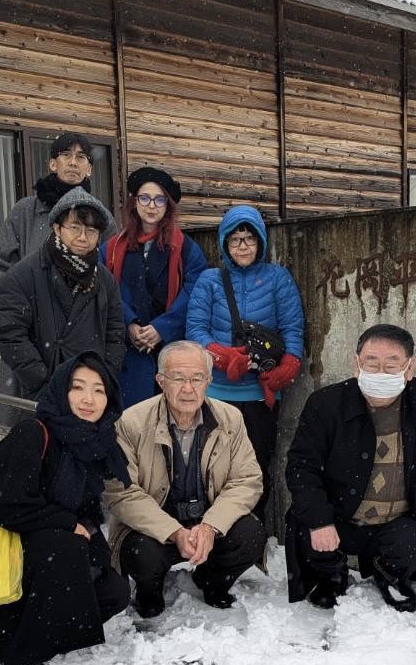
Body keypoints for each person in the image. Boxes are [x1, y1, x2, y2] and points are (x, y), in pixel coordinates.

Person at [285, 324, 416, 613]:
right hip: (340, 517)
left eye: (391, 364)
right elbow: (302, 466)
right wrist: (320, 521)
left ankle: (387, 574)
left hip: (399, 520)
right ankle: (331, 577)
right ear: (357, 363)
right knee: (305, 527)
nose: (381, 372)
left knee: (414, 542)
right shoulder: (326, 404)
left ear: (410, 367)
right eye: (372, 362)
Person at [0, 352, 132, 665]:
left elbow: (87, 506)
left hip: (54, 550)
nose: (88, 399)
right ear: (62, 391)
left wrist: (90, 534)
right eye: (78, 388)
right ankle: (17, 649)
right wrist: (65, 524)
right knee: (63, 548)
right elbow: (6, 503)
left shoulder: (95, 442)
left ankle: (36, 630)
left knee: (114, 590)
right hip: (13, 547)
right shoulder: (33, 433)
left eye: (99, 390)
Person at [105, 340, 266, 618]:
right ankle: (149, 592)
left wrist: (210, 527)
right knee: (142, 555)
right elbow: (122, 492)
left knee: (251, 535)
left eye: (197, 378)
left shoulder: (231, 418)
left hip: (207, 521)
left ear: (209, 381)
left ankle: (211, 581)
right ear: (161, 381)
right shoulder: (131, 422)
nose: (188, 388)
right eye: (178, 378)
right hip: (155, 528)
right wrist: (174, 532)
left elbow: (247, 480)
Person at [185, 204, 304, 519]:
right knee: (212, 464)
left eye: (250, 238)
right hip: (215, 393)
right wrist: (223, 358)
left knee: (256, 464)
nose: (243, 245)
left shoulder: (278, 278)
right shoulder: (210, 280)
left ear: (261, 242)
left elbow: (292, 327)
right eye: (235, 239)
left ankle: (252, 531)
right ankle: (213, 526)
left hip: (260, 392)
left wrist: (289, 364)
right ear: (225, 242)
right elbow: (196, 330)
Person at [0, 132, 117, 423]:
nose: (73, 163)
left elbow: (108, 278)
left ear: (90, 168)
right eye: (66, 156)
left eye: (81, 157)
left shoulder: (102, 219)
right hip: (30, 336)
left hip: (81, 338)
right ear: (52, 164)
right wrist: (24, 307)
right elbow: (0, 266)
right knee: (25, 429)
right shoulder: (25, 210)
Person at [104, 166, 207, 407]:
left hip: (170, 350)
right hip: (126, 353)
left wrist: (162, 327)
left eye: (159, 199)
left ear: (168, 205)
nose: (151, 206)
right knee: (131, 423)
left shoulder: (186, 249)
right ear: (134, 203)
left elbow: (195, 291)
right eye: (145, 198)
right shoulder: (111, 249)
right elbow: (107, 289)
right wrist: (129, 322)